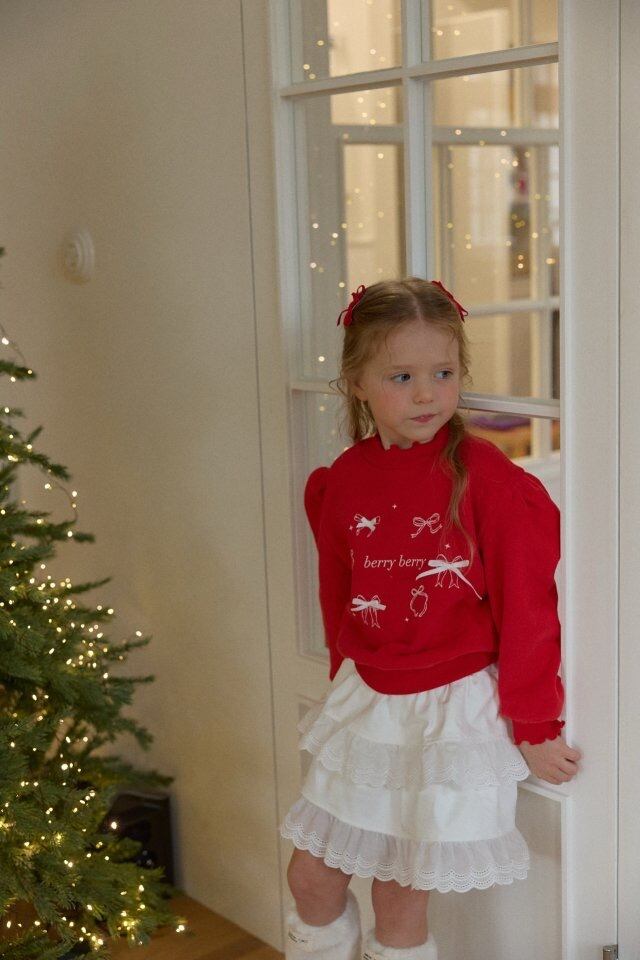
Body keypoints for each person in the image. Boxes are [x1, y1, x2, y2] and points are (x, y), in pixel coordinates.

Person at [279, 277, 582, 960]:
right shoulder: (344, 479)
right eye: (402, 377)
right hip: (368, 704)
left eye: (443, 373)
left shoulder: (486, 479)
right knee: (311, 878)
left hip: (449, 713)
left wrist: (536, 723)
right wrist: (343, 673)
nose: (426, 395)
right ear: (358, 383)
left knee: (400, 898)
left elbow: (529, 607)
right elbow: (337, 589)